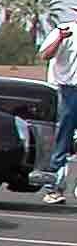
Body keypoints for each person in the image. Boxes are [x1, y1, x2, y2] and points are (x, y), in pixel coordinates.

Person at [40, 15, 77, 201]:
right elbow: (45, 55)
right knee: (63, 138)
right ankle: (53, 187)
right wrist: (60, 39)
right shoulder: (63, 30)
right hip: (66, 89)